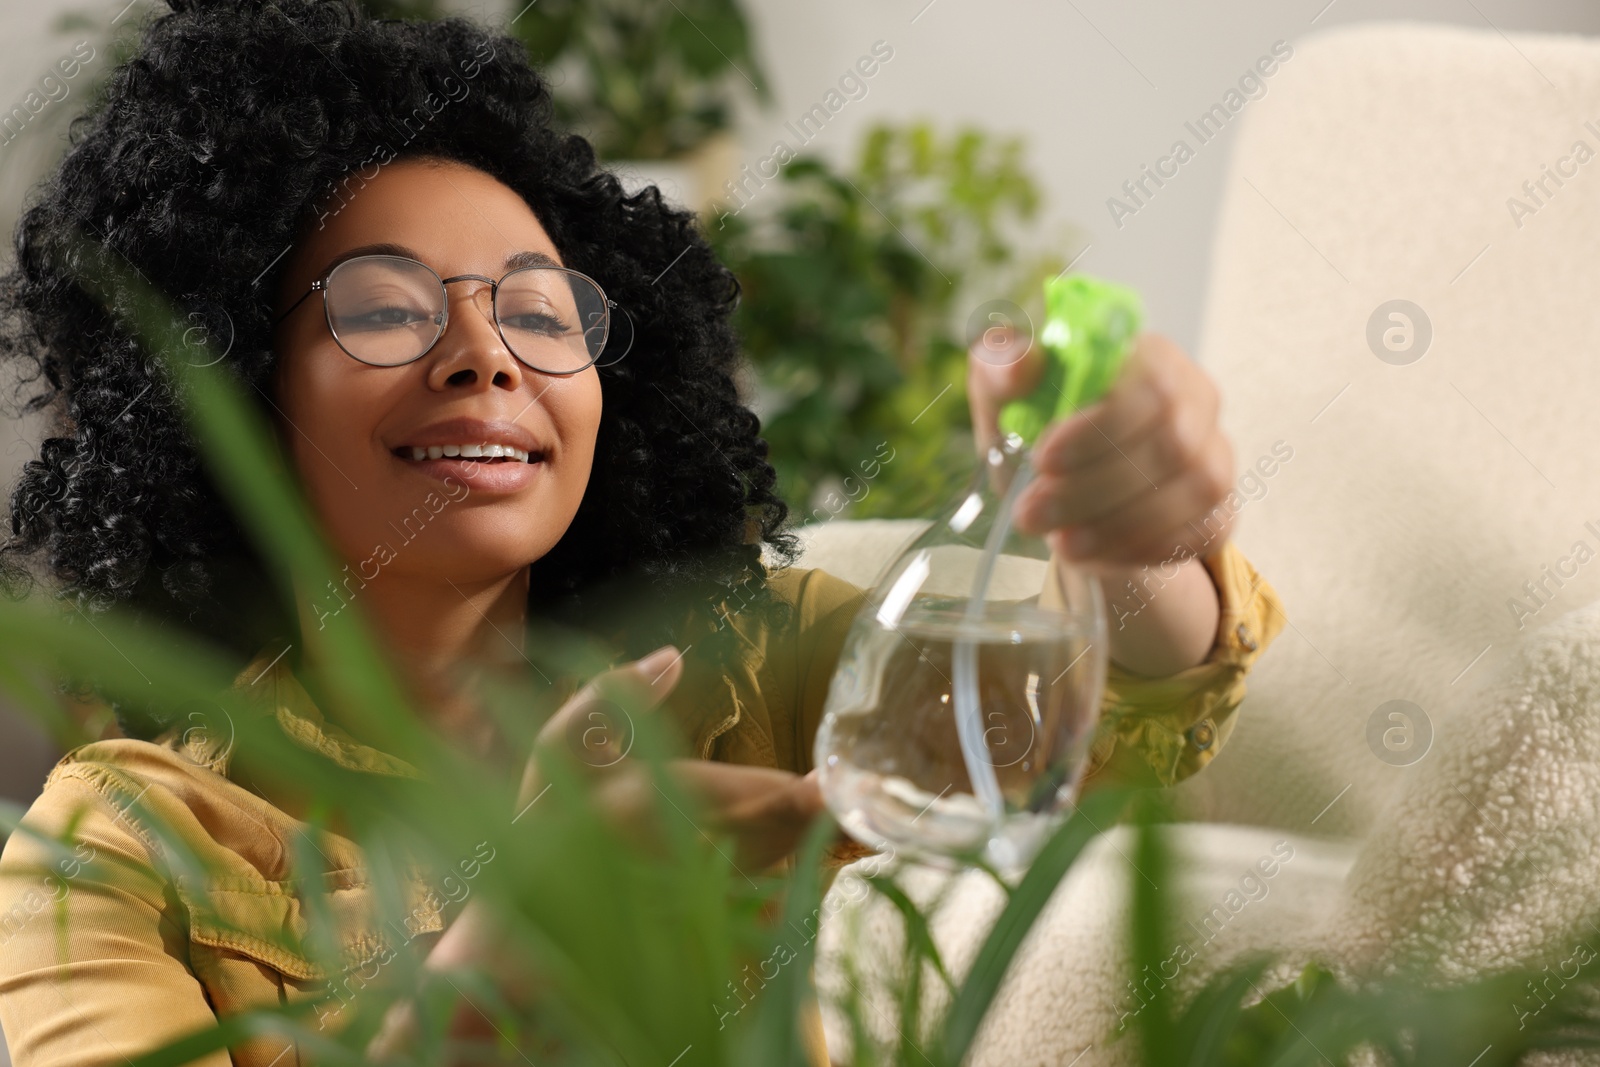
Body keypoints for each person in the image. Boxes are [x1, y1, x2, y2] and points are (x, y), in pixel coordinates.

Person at [0, 1, 1284, 1063]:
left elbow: (1109, 722)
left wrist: (1127, 539)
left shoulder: (761, 667)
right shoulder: (113, 852)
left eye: (542, 313)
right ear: (232, 394)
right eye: (384, 309)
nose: (485, 355)